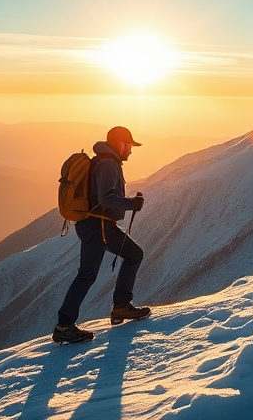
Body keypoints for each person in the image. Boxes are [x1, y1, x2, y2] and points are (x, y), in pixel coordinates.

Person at [52, 126, 151, 344]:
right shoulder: (107, 164)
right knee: (87, 275)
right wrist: (131, 204)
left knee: (134, 254)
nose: (131, 150)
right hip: (96, 227)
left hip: (101, 227)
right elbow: (106, 198)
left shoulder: (106, 161)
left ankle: (121, 307)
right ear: (118, 143)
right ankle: (64, 326)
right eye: (128, 145)